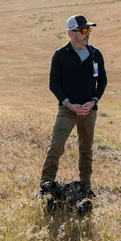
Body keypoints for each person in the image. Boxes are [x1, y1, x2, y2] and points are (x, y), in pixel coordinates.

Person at [40, 15, 108, 189]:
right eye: (84, 30)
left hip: (89, 112)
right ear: (71, 34)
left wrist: (93, 102)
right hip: (66, 111)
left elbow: (102, 80)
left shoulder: (95, 54)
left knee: (86, 151)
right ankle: (46, 187)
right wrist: (68, 104)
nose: (88, 34)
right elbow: (53, 84)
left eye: (89, 30)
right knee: (55, 148)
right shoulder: (60, 55)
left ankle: (85, 188)